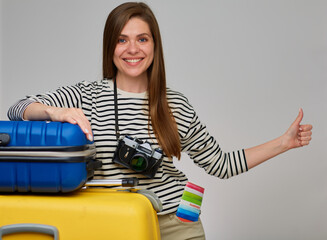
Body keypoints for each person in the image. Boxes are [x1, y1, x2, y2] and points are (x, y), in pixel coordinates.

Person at [7, 2, 313, 239]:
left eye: (142, 39)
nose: (132, 49)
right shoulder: (86, 95)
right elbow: (17, 108)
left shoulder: (175, 104)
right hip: (109, 221)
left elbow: (220, 164)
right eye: (121, 40)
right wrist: (54, 112)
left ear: (154, 46)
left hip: (174, 223)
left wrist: (284, 143)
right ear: (110, 47)